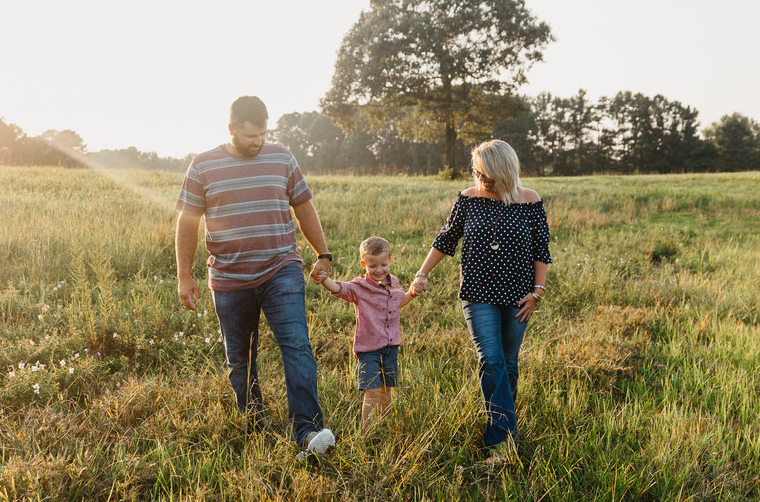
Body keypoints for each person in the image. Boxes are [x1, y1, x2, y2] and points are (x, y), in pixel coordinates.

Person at [175, 95, 336, 459]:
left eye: (263, 134)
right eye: (250, 136)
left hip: (282, 268)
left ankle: (307, 431)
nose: (258, 142)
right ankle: (253, 423)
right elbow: (187, 223)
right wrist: (185, 275)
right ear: (231, 129)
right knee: (241, 359)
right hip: (229, 278)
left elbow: (304, 207)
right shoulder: (202, 166)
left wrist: (322, 253)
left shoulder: (282, 157)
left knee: (296, 345)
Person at [410, 140, 551, 466]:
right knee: (491, 359)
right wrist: (422, 273)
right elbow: (445, 239)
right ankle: (502, 443)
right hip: (478, 295)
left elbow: (541, 251)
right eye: (477, 172)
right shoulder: (469, 199)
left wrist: (537, 292)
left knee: (509, 364)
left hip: (519, 297)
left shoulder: (530, 201)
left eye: (487, 174)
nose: (481, 179)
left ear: (504, 170)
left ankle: (501, 425)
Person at [312, 236, 420, 427]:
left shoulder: (394, 283)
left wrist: (411, 294)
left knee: (387, 388)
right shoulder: (359, 288)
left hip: (391, 346)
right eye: (372, 266)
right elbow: (339, 288)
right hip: (368, 349)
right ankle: (367, 431)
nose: (378, 270)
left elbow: (398, 303)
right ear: (364, 264)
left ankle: (384, 423)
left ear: (390, 261)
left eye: (383, 264)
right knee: (372, 389)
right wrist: (324, 280)